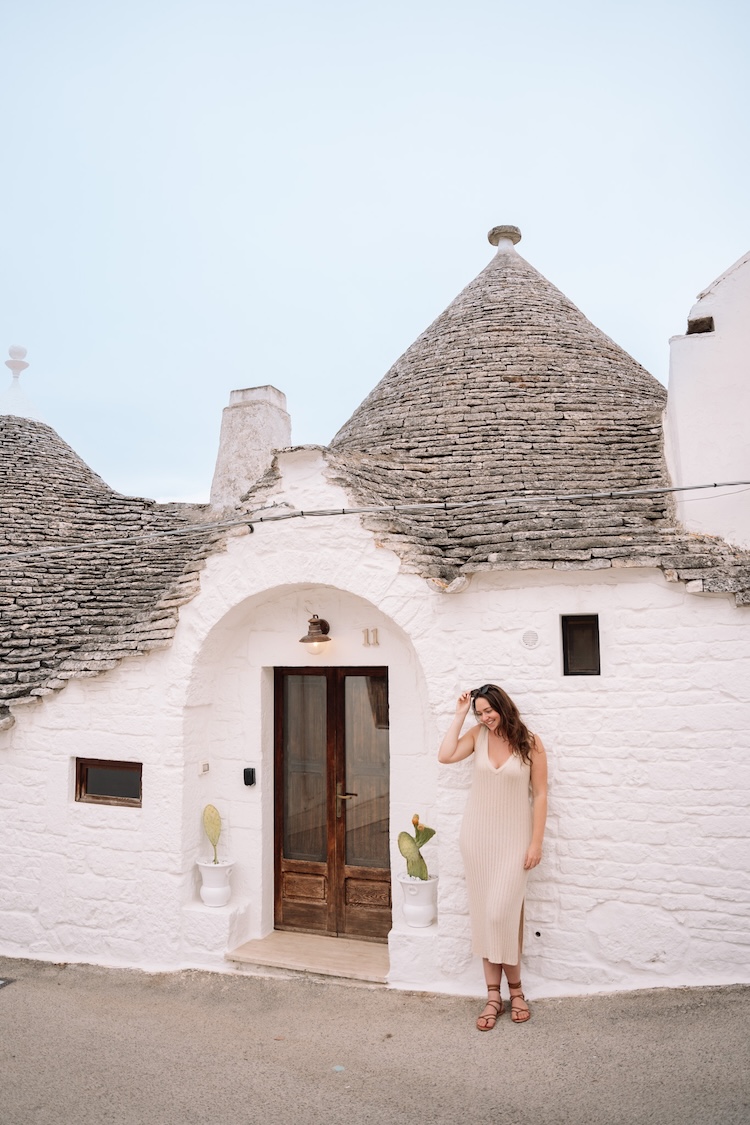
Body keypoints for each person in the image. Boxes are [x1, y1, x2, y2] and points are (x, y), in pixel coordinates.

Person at [438, 684, 547, 1028]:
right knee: (488, 918)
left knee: (502, 914)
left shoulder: (530, 742)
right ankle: (493, 997)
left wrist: (536, 843)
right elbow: (445, 755)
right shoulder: (477, 735)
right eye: (479, 712)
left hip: (515, 842)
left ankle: (516, 992)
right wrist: (459, 715)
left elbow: (541, 794)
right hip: (478, 840)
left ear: (503, 706)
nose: (485, 718)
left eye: (489, 711)